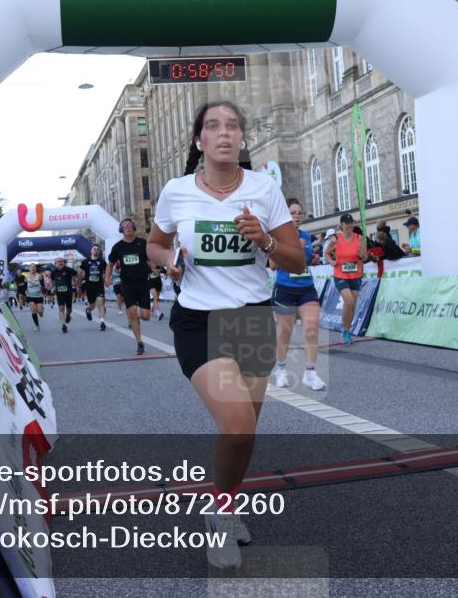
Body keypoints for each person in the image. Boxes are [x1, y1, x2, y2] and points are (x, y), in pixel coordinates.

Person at [146, 100, 303, 570]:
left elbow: (296, 261)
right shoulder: (176, 191)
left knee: (245, 431)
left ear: (242, 139)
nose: (224, 133)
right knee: (236, 423)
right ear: (199, 140)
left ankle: (226, 501)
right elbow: (155, 243)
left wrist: (266, 239)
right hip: (198, 321)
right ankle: (219, 513)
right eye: (213, 126)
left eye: (233, 126)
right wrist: (168, 261)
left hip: (251, 320)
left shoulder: (264, 189)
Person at [270, 198, 325, 391]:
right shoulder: (277, 237)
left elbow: (308, 261)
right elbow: (273, 265)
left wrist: (312, 258)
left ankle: (310, 373)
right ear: (285, 215)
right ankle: (281, 370)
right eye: (292, 213)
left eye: (299, 213)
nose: (297, 216)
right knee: (286, 332)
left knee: (312, 329)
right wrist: (295, 249)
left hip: (306, 287)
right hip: (285, 288)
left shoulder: (307, 236)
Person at [106, 218, 152, 355]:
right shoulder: (118, 247)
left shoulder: (142, 243)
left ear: (134, 228)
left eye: (130, 225)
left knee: (145, 316)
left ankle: (136, 316)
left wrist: (156, 268)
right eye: (124, 226)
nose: (127, 227)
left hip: (143, 282)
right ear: (121, 230)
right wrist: (107, 277)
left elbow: (150, 260)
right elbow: (110, 264)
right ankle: (139, 343)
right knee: (132, 313)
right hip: (127, 283)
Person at [325, 213, 367, 345]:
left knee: (352, 304)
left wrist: (362, 255)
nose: (349, 225)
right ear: (341, 225)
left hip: (356, 275)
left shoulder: (359, 238)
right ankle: (345, 331)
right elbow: (326, 253)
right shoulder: (335, 239)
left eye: (351, 223)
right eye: (347, 223)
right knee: (348, 301)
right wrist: (331, 262)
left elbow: (365, 257)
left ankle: (347, 331)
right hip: (340, 275)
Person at [77, 245, 108, 331]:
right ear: (91, 250)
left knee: (100, 302)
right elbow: (79, 271)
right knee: (92, 305)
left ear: (99, 251)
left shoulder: (102, 262)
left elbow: (106, 272)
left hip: (99, 285)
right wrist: (79, 283)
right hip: (89, 286)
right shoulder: (85, 262)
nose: (96, 250)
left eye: (98, 249)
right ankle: (88, 310)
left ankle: (102, 322)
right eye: (94, 249)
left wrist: (107, 279)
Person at [50, 257, 75, 333]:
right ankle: (63, 325)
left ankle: (68, 315)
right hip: (59, 292)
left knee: (69, 309)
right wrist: (52, 287)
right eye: (58, 261)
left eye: (62, 261)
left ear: (64, 262)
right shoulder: (53, 272)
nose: (60, 263)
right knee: (61, 308)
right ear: (55, 263)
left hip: (68, 292)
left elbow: (76, 274)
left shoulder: (69, 270)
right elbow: (52, 280)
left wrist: (76, 283)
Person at [23, 263, 45, 330]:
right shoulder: (26, 277)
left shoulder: (40, 276)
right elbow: (24, 286)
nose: (33, 268)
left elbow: (43, 285)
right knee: (33, 310)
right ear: (29, 269)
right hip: (30, 296)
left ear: (36, 268)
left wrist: (43, 291)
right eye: (31, 267)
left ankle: (41, 311)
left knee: (40, 311)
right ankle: (37, 326)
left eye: (34, 267)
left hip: (39, 296)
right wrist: (25, 292)